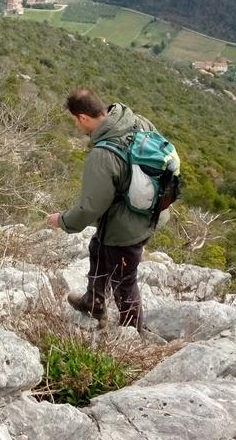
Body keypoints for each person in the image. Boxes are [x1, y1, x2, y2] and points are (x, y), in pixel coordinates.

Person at [46, 87, 155, 331]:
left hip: (127, 228)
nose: (77, 126)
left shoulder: (102, 154)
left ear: (82, 118)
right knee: (98, 247)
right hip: (147, 212)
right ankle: (94, 301)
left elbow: (90, 208)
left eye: (75, 121)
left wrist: (62, 220)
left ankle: (132, 334)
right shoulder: (135, 121)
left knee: (124, 282)